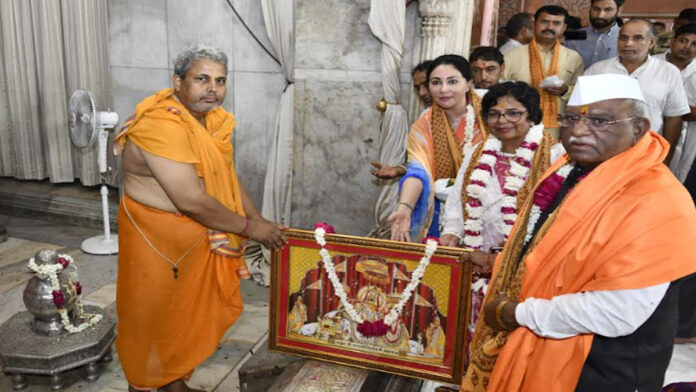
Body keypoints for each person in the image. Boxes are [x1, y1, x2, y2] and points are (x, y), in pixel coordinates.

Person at [461, 74, 696, 392]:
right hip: (541, 344)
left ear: (638, 129)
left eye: (600, 121)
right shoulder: (569, 168)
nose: (580, 131)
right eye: (571, 118)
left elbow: (617, 313)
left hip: (605, 367)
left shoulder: (659, 200)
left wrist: (518, 312)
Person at [114, 46, 287, 392]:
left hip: (196, 240)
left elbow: (226, 175)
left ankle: (174, 383)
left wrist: (258, 217)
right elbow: (190, 199)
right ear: (178, 82)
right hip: (157, 243)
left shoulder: (209, 120)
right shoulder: (161, 125)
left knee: (182, 318)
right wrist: (253, 230)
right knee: (153, 317)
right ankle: (145, 386)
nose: (213, 88)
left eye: (220, 81)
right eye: (202, 79)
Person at [440, 81, 563, 347]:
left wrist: (503, 259)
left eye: (513, 113)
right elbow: (457, 197)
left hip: (522, 265)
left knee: (509, 338)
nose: (502, 120)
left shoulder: (554, 155)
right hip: (475, 257)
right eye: (494, 114)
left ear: (531, 115)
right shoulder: (479, 152)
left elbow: (556, 217)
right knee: (469, 328)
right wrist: (452, 232)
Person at [389, 54, 487, 242]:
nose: (444, 90)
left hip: (487, 208)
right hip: (441, 209)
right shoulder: (424, 123)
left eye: (452, 82)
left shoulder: (491, 113)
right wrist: (404, 207)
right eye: (436, 82)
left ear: (468, 84)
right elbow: (418, 171)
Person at [585, 19, 690, 163]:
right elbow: (581, 111)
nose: (628, 43)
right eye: (624, 38)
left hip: (647, 154)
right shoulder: (597, 70)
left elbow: (674, 117)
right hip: (601, 151)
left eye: (637, 38)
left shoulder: (668, 72)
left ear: (651, 43)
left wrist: (665, 157)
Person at [503, 5, 584, 138]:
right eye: (544, 22)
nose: (550, 27)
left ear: (564, 28)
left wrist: (565, 91)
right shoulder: (512, 56)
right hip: (519, 128)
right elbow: (500, 90)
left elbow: (580, 94)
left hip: (558, 131)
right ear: (535, 24)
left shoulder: (573, 58)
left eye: (556, 23)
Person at [370, 60, 433, 180]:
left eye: (426, 85)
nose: (421, 93)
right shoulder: (425, 117)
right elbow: (421, 160)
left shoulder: (468, 113)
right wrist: (397, 169)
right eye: (417, 88)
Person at [656, 23, 696, 179]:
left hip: (690, 137)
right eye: (683, 40)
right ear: (672, 41)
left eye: (694, 44)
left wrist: (673, 110)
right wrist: (684, 110)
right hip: (653, 131)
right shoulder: (652, 64)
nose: (687, 47)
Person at [564, 0, 624, 68]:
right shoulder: (574, 35)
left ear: (619, 11)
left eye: (608, 10)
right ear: (590, 8)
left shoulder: (626, 38)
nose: (600, 15)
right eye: (596, 9)